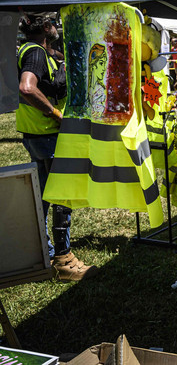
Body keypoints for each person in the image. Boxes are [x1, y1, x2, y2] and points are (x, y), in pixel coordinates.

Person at [17, 15, 97, 281]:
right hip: (47, 134)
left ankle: (39, 255)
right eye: (52, 21)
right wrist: (55, 113)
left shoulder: (34, 51)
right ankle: (62, 260)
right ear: (44, 27)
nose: (56, 26)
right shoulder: (36, 53)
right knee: (61, 198)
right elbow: (27, 88)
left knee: (42, 198)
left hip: (36, 135)